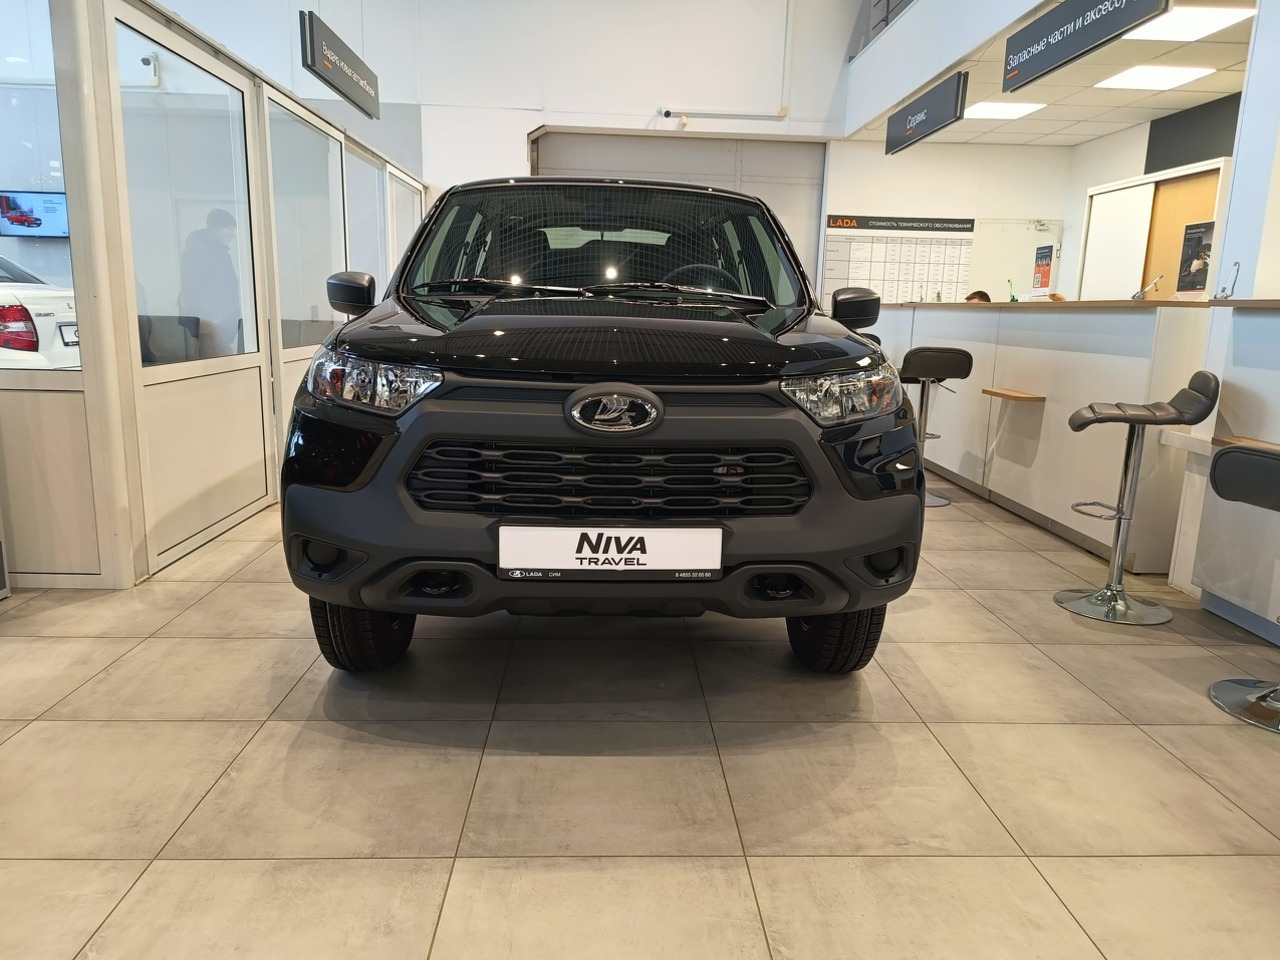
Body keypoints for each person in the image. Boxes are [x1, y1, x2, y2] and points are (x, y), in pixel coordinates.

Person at [180, 208, 243, 359]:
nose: (233, 234)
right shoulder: (197, 253)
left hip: (221, 323)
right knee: (218, 362)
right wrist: (212, 319)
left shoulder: (220, 254)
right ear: (215, 229)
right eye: (229, 229)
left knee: (224, 360)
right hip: (210, 324)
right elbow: (194, 289)